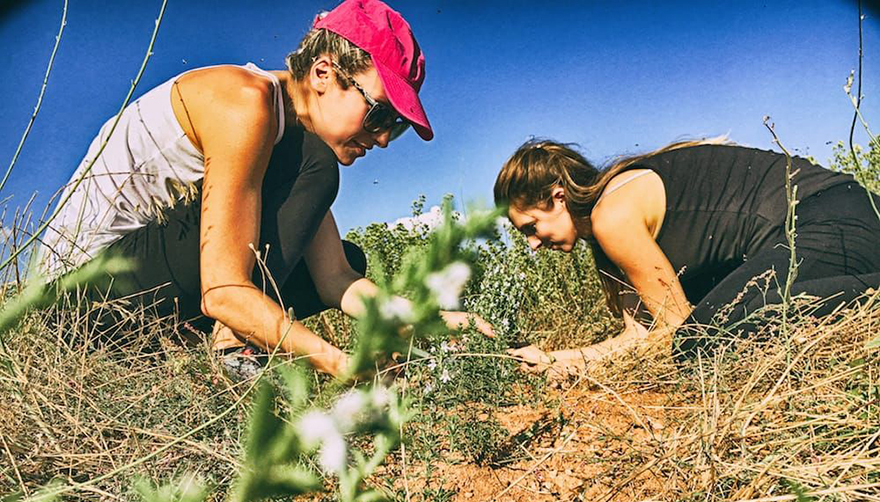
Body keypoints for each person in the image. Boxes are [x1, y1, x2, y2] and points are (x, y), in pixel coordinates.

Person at [37, 0, 492, 377]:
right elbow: (223, 290)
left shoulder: (289, 149)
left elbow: (337, 279)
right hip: (73, 308)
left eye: (397, 125)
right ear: (323, 73)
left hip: (131, 298)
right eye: (380, 114)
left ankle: (204, 347)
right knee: (317, 165)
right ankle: (231, 348)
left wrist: (429, 320)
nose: (384, 138)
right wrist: (340, 364)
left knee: (349, 257)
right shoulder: (246, 104)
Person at [494, 139, 880, 379]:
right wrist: (553, 359)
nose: (532, 244)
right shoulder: (606, 233)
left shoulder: (612, 215)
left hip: (834, 218)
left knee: (701, 340)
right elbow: (641, 335)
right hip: (830, 226)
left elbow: (676, 331)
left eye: (531, 226)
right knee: (702, 336)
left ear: (558, 197)